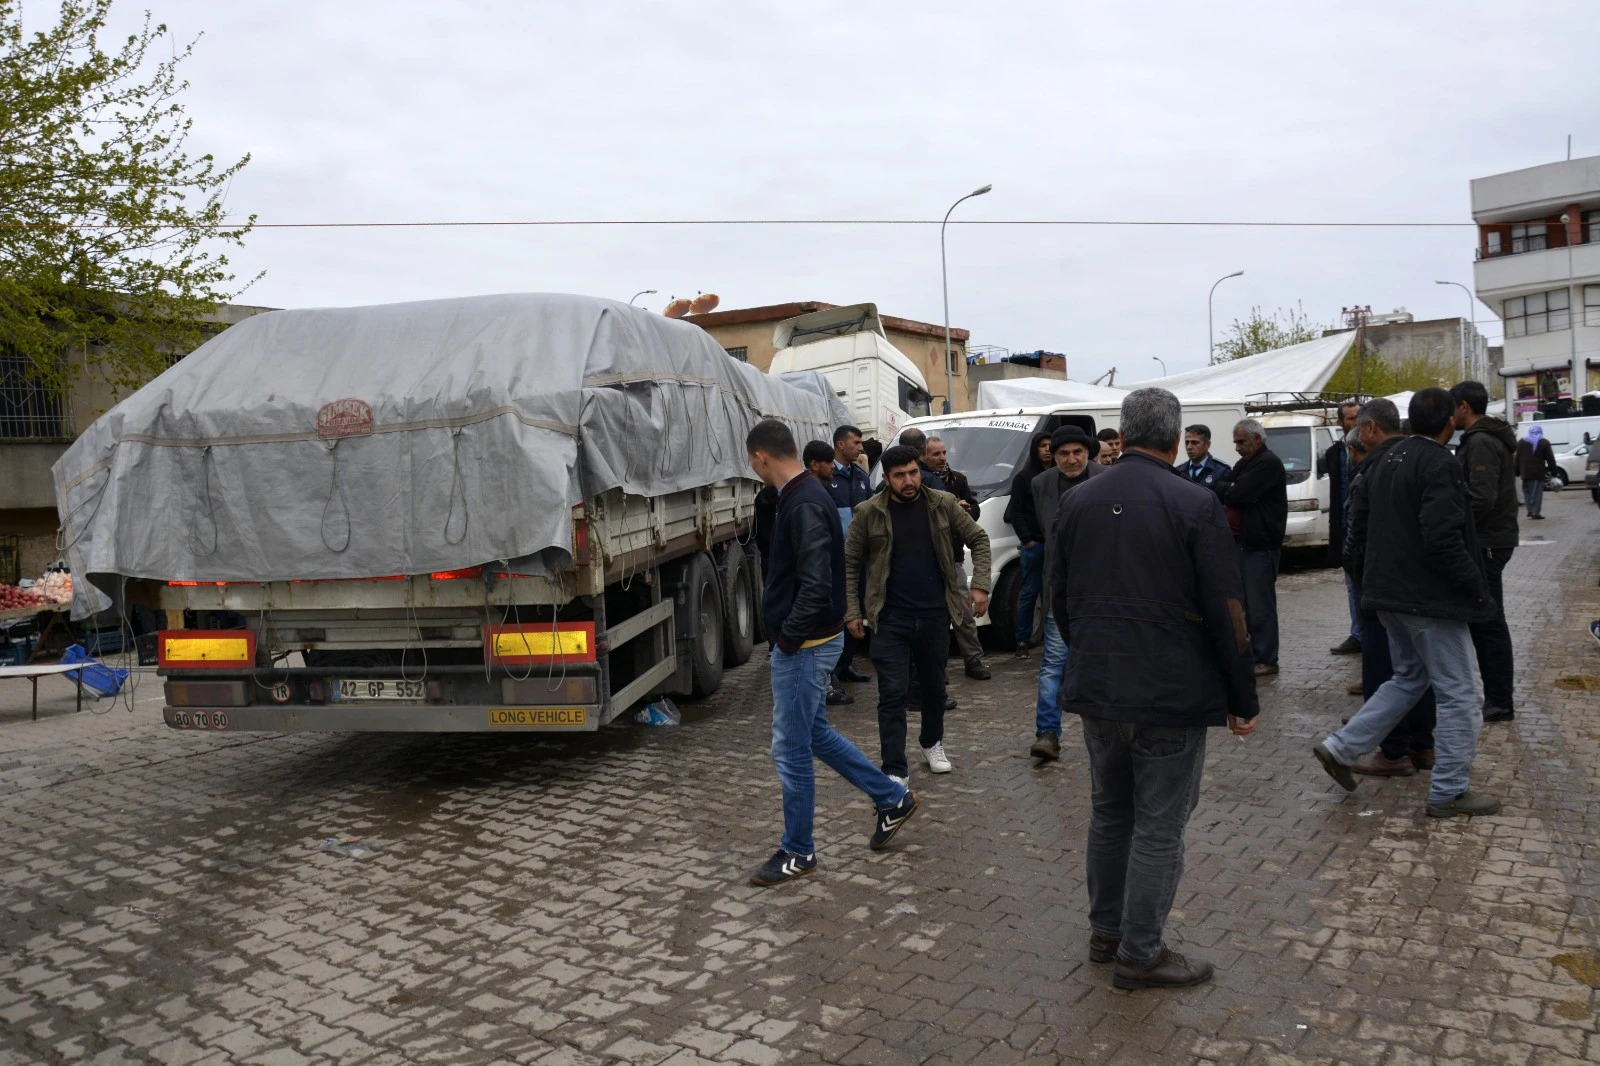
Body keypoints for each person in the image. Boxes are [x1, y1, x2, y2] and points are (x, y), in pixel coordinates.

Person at [1051, 387, 1259, 990]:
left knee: (1111, 813)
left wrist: (1091, 649)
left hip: (1100, 686)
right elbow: (1228, 611)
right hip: (1168, 694)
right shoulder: (1195, 503)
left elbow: (1060, 599)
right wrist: (1242, 698)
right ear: (1174, 440)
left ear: (1124, 430)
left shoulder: (1079, 501)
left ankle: (1107, 932)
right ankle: (1140, 954)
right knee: (1160, 825)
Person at [743, 420, 919, 887]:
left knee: (791, 748)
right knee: (814, 733)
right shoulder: (805, 493)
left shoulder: (801, 502)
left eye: (752, 462)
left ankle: (798, 851)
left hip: (806, 645)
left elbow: (817, 584)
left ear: (760, 457)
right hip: (814, 641)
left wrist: (787, 639)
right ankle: (891, 798)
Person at [1312, 388, 1500, 819]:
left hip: (1387, 596)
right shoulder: (1439, 463)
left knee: (1408, 678)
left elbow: (1359, 531)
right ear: (1451, 420)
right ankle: (1450, 790)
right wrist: (1476, 589)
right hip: (1428, 599)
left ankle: (1341, 749)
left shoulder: (1381, 464)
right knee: (1460, 693)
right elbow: (1442, 538)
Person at [844, 445, 991, 785]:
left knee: (934, 688)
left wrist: (980, 585)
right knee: (892, 694)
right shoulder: (867, 512)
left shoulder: (942, 503)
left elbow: (979, 539)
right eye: (900, 476)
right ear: (887, 479)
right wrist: (852, 610)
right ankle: (894, 769)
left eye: (912, 473)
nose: (909, 481)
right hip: (890, 618)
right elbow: (850, 565)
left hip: (935, 615)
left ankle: (931, 742)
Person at [1342, 399, 1436, 776]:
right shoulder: (1416, 465)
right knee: (1417, 670)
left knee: (1384, 668)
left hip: (1378, 589)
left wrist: (1352, 569)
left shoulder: (1371, 475)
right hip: (1413, 589)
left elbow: (1358, 537)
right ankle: (1422, 744)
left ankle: (1392, 750)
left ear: (1365, 437)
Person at [1027, 426, 1105, 761]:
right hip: (1059, 588)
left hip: (1103, 590)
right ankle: (1047, 734)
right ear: (1053, 456)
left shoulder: (1108, 479)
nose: (1071, 459)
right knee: (1053, 663)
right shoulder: (1040, 485)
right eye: (1063, 454)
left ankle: (1109, 731)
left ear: (1088, 452)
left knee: (1104, 661)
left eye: (1077, 452)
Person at [1450, 381, 1520, 723]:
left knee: (1490, 621)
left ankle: (1499, 701)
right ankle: (1496, 697)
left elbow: (1481, 497)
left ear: (1464, 406)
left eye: (1453, 407)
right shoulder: (1483, 438)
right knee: (1485, 620)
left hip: (1488, 542)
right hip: (1490, 539)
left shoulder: (1480, 441)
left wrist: (1453, 527)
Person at [1219, 419, 1288, 676]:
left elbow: (1238, 494)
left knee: (1260, 606)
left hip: (1260, 545)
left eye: (1241, 442)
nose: (1237, 447)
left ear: (1257, 439)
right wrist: (1232, 488)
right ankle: (1251, 653)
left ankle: (1267, 657)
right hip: (1242, 544)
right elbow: (1221, 487)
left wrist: (1233, 489)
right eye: (1236, 442)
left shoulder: (1268, 464)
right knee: (1245, 604)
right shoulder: (1245, 464)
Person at [924, 435, 992, 681]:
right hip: (927, 561)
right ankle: (935, 669)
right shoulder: (919, 480)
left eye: (943, 453)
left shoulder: (957, 480)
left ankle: (973, 661)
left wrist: (965, 509)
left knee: (963, 614)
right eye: (936, 454)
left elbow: (975, 511)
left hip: (953, 558)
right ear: (924, 455)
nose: (942, 458)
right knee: (934, 619)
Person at [824, 425, 874, 688]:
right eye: (856, 442)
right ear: (840, 445)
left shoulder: (861, 477)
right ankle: (830, 672)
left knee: (859, 610)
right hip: (837, 560)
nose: (861, 447)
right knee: (838, 612)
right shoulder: (826, 478)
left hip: (861, 559)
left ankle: (845, 664)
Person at [1003, 431, 1054, 656]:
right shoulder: (1024, 477)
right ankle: (1022, 640)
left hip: (1056, 544)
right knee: (1029, 593)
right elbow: (1015, 511)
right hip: (1035, 545)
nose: (1047, 449)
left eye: (1050, 445)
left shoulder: (1058, 475)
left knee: (1056, 592)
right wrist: (1028, 540)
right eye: (1042, 445)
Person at [1326, 401, 1363, 656]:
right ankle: (1358, 633)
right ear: (1341, 422)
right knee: (1351, 584)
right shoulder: (1334, 453)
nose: (1355, 422)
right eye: (1350, 418)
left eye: (1359, 417)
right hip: (1344, 526)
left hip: (1365, 525)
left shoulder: (1374, 450)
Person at [1515, 423, 1558, 519]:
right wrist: (1554, 473)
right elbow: (1550, 459)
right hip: (1538, 473)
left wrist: (1516, 471)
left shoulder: (1521, 442)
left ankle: (1530, 510)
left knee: (1527, 491)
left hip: (1525, 472)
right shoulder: (1544, 442)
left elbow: (1517, 457)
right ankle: (1536, 512)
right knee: (1536, 493)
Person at [1181, 424, 1230, 493]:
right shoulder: (1179, 471)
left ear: (1208, 444)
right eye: (1187, 442)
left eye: (1194, 442)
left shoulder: (1222, 470)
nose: (1189, 447)